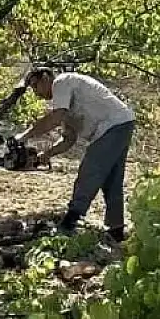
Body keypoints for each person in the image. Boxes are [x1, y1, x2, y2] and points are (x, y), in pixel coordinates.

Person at [17, 67, 136, 242]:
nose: (36, 93)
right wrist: (47, 154)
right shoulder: (63, 102)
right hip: (122, 122)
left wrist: (24, 136)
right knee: (112, 180)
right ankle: (116, 230)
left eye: (35, 86)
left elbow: (55, 118)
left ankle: (70, 222)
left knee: (89, 171)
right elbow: (68, 138)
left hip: (112, 125)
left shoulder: (62, 82)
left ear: (45, 77)